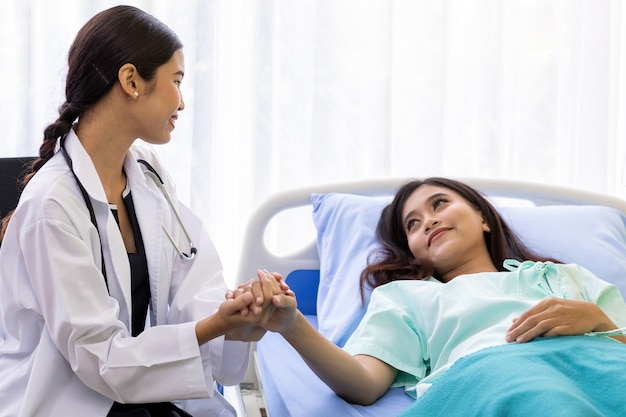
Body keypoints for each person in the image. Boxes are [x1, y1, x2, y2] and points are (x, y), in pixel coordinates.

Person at [0, 6, 283, 417]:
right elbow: (98, 357)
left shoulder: (147, 173)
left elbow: (193, 281)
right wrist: (215, 325)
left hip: (128, 393)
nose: (182, 103)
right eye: (176, 81)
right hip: (65, 400)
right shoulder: (52, 206)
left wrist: (239, 313)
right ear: (132, 81)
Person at [237, 177, 626, 416]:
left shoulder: (563, 276)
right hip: (501, 373)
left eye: (439, 204)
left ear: (483, 218)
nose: (430, 221)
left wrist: (597, 320)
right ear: (412, 248)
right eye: (413, 223)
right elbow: (363, 384)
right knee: (546, 403)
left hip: (602, 364)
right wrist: (293, 325)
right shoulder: (407, 297)